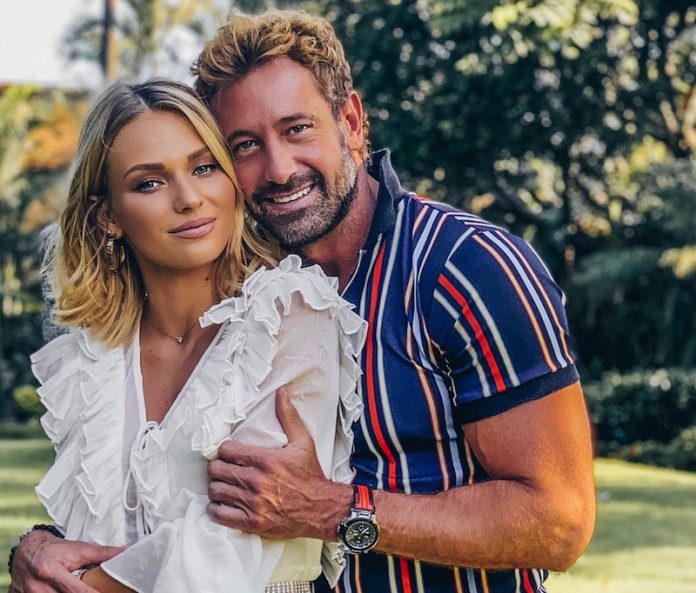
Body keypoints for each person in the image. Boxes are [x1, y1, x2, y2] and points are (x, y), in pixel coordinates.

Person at [10, 10, 596, 593]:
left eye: (297, 129)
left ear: (352, 122)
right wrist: (40, 546)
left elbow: (559, 523)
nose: (279, 168)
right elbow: (155, 495)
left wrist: (335, 510)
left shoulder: (464, 267)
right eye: (245, 145)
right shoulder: (242, 292)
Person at [9, 78, 365, 593]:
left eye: (203, 168)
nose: (189, 199)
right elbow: (84, 532)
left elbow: (239, 536)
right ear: (107, 216)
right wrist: (35, 549)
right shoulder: (94, 356)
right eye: (149, 183)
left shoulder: (289, 313)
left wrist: (77, 583)